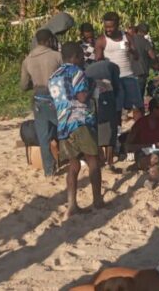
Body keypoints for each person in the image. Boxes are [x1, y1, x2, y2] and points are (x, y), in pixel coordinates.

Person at [48, 42, 103, 218]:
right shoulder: (77, 72)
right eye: (81, 56)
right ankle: (97, 201)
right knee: (93, 160)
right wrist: (93, 85)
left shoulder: (53, 76)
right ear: (76, 56)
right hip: (80, 121)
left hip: (63, 124)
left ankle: (72, 205)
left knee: (73, 165)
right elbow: (81, 96)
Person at [20, 29, 63, 177]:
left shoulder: (27, 60)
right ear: (49, 40)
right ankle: (70, 159)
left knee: (43, 136)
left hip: (38, 98)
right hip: (55, 96)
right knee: (65, 129)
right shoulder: (57, 56)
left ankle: (49, 170)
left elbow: (24, 85)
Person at [95, 12, 143, 125]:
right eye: (106, 27)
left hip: (129, 76)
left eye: (111, 27)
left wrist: (130, 50)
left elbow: (136, 57)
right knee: (116, 108)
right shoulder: (102, 40)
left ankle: (140, 132)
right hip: (113, 80)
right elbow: (98, 61)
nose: (108, 30)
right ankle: (117, 132)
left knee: (138, 107)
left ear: (117, 25)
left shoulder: (127, 37)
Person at [84, 58, 122, 169]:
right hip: (105, 90)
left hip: (91, 93)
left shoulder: (89, 68)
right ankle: (109, 161)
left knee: (96, 125)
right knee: (110, 126)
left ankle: (99, 158)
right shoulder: (114, 66)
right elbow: (116, 86)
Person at [125, 95, 159, 169]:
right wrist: (148, 145)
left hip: (158, 152)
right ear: (155, 110)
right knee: (154, 159)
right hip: (142, 153)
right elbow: (128, 146)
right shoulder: (140, 123)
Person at [130, 24, 156, 99]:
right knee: (139, 96)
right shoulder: (145, 42)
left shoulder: (129, 39)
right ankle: (138, 109)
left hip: (129, 71)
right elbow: (152, 56)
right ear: (146, 32)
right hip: (141, 71)